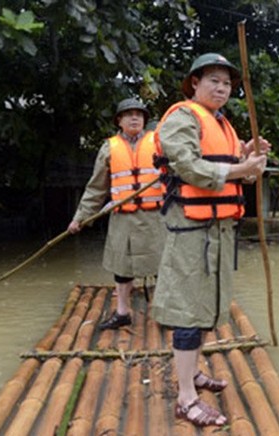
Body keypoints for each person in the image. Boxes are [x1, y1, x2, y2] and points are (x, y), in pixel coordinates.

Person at [151, 53, 270, 427]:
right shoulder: (182, 118)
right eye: (213, 80)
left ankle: (193, 373)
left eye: (228, 84)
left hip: (218, 231)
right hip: (190, 231)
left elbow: (241, 177)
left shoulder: (225, 125)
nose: (222, 88)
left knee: (205, 310)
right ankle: (186, 399)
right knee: (188, 313)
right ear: (195, 84)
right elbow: (189, 167)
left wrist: (248, 157)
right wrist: (240, 167)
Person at [67, 98, 165, 330]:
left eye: (139, 115)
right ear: (119, 121)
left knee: (162, 266)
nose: (134, 118)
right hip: (123, 219)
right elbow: (96, 188)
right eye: (129, 114)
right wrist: (79, 218)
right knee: (122, 267)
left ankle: (163, 311)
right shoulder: (109, 148)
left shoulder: (159, 144)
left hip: (156, 218)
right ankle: (123, 312)